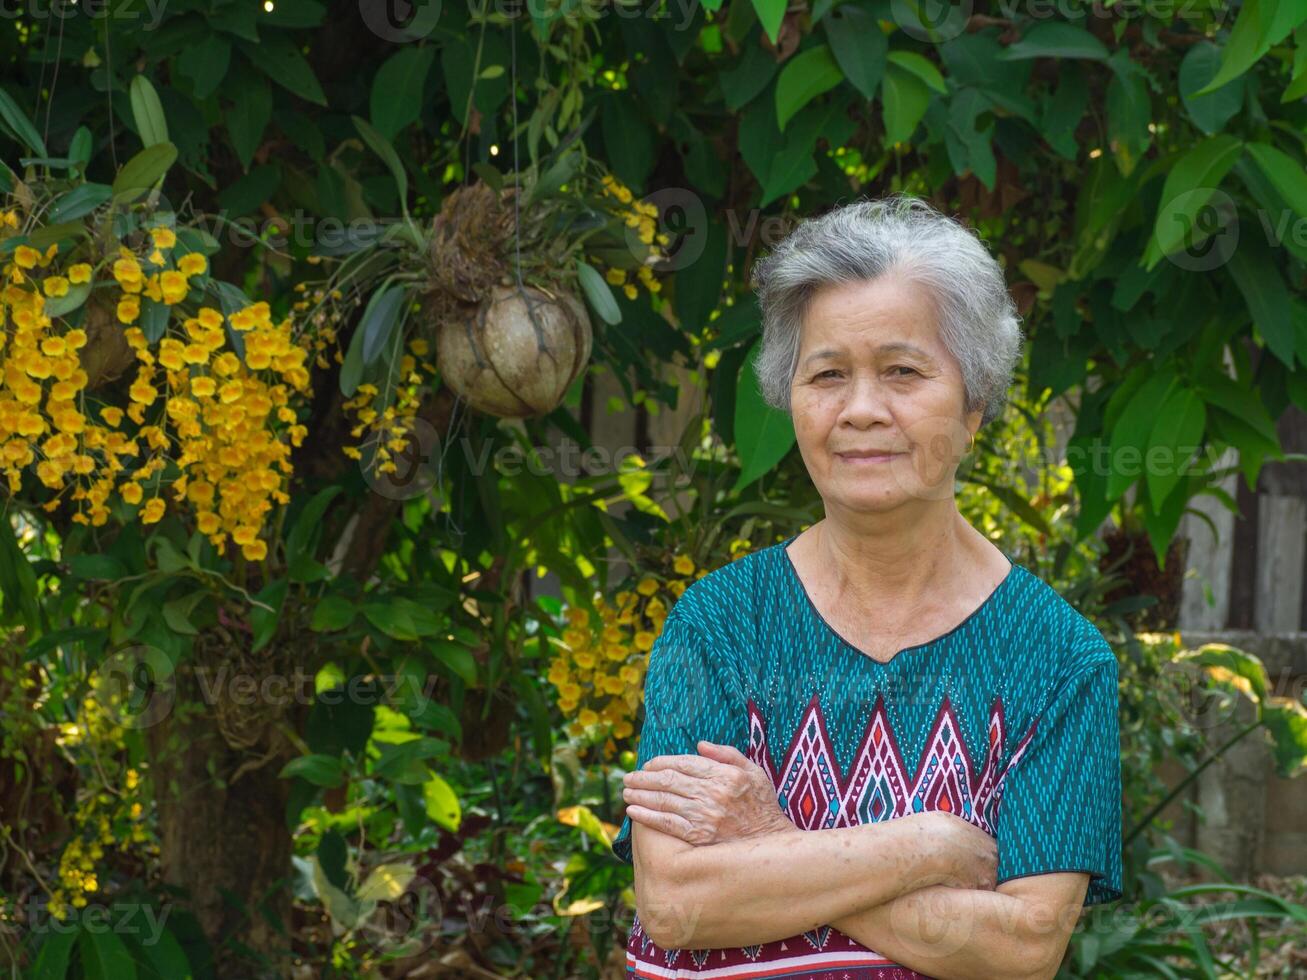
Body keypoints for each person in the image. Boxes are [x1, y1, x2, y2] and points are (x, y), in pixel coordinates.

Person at [608, 195, 1122, 980]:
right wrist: (926, 847)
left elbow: (1020, 949)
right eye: (827, 375)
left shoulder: (1056, 658)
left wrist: (768, 848)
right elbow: (676, 903)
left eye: (902, 372)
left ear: (974, 404)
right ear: (791, 399)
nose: (860, 411)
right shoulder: (717, 623)